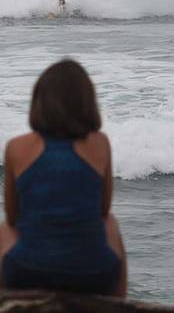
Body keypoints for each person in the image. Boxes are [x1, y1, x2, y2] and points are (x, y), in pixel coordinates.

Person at [1, 59, 127, 296]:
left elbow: (13, 216)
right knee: (110, 222)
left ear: (39, 102)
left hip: (28, 270)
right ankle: (119, 303)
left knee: (3, 230)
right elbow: (102, 209)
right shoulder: (100, 143)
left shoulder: (16, 147)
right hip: (94, 273)